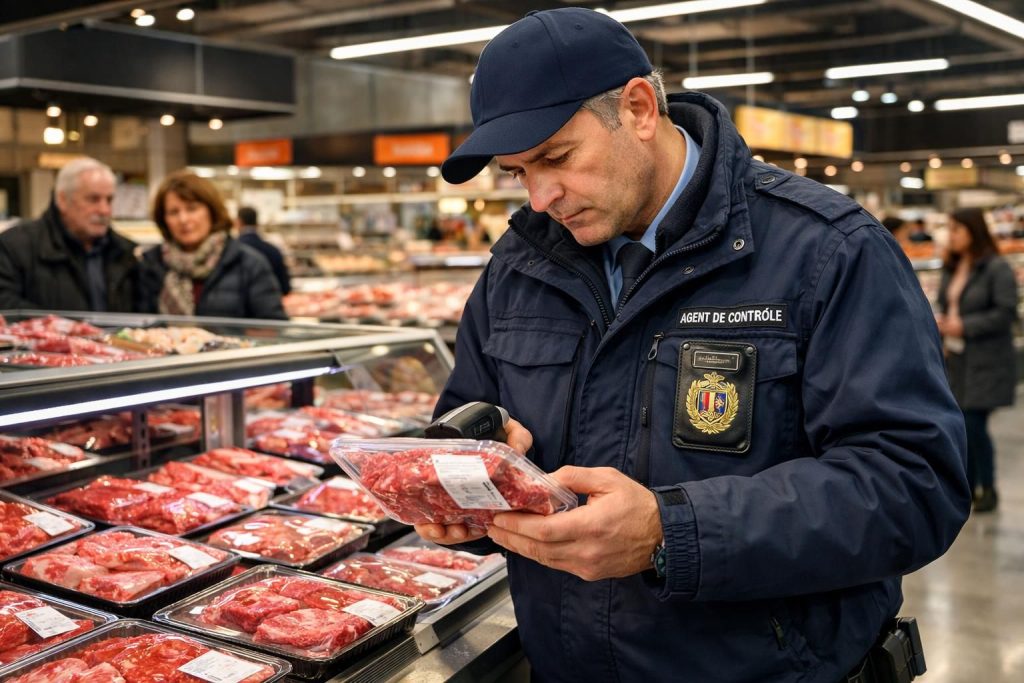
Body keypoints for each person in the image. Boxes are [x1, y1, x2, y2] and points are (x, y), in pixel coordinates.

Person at [419, 8, 970, 682]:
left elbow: (915, 484)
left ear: (640, 109)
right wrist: (457, 489)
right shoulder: (520, 264)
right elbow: (466, 417)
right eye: (516, 173)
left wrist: (669, 529)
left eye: (557, 158)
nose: (541, 197)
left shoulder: (827, 251)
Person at [936, 208, 1018, 513]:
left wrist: (965, 326)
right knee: (960, 424)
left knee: (973, 424)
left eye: (956, 228)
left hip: (986, 360)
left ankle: (988, 488)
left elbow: (1006, 312)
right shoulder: (953, 267)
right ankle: (967, 488)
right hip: (956, 359)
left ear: (973, 231)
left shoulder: (996, 268)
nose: (951, 234)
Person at [138, 171, 286, 320]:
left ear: (211, 211)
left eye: (192, 208)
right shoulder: (151, 264)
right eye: (173, 212)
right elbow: (137, 326)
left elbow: (274, 327)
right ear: (163, 219)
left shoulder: (249, 264)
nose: (183, 219)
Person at [0, 157, 137, 311]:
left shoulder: (127, 253)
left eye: (109, 200)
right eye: (93, 199)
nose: (104, 210)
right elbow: (6, 306)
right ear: (63, 200)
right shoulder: (15, 247)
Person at [236, 206, 291, 296]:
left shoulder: (229, 253)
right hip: (270, 305)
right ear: (256, 223)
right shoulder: (273, 251)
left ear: (238, 222)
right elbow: (285, 288)